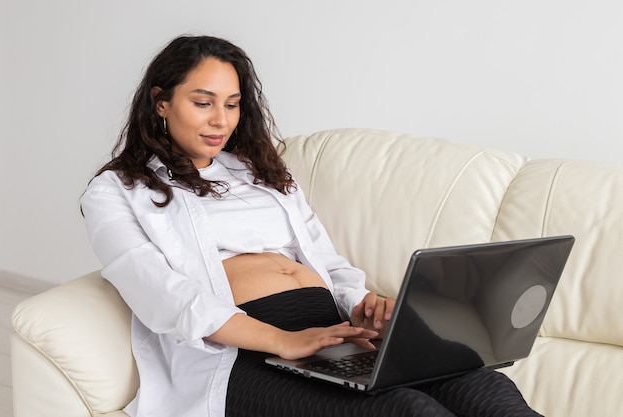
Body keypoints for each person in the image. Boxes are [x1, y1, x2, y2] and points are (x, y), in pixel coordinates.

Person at [81, 35, 542, 417]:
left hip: (329, 331)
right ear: (161, 102)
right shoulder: (116, 191)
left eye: (233, 104)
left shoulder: (260, 172)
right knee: (407, 409)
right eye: (202, 103)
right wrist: (284, 340)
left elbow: (326, 262)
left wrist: (362, 305)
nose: (220, 120)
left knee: (482, 387)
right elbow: (163, 295)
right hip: (244, 353)